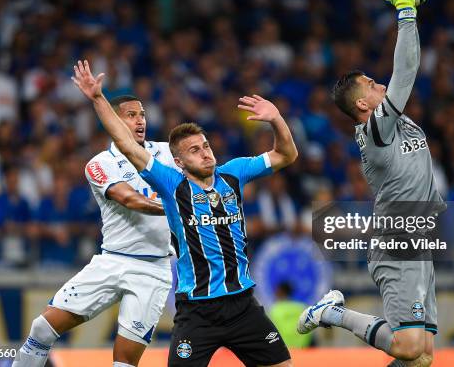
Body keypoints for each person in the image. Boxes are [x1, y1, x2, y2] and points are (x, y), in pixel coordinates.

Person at [73, 59, 297, 367]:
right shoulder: (170, 184)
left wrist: (276, 119)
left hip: (244, 305)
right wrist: (98, 98)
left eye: (206, 146)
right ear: (178, 161)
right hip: (197, 312)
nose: (206, 153)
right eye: (195, 150)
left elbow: (287, 154)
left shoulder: (233, 173)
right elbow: (126, 144)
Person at [297, 0, 444, 367]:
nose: (383, 85)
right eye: (373, 86)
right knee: (409, 346)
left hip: (418, 238)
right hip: (397, 241)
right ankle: (331, 312)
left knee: (421, 358)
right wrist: (406, 10)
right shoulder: (376, 132)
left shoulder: (395, 122)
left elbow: (402, 75)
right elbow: (407, 70)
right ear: (363, 105)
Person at [14, 95, 179, 367]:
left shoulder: (167, 154)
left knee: (124, 361)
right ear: (112, 121)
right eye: (131, 115)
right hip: (112, 261)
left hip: (154, 269)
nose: (140, 120)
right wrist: (177, 205)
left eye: (143, 114)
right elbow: (130, 199)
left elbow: (203, 173)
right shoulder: (100, 163)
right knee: (42, 328)